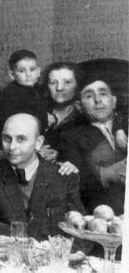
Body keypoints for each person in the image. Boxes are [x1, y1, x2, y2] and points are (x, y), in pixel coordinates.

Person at [0, 113, 85, 240]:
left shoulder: (63, 176)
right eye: (7, 139)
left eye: (21, 139)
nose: (12, 147)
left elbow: (80, 230)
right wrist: (24, 236)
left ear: (38, 142)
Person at [58, 75, 127, 215]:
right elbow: (77, 182)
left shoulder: (125, 125)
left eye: (103, 94)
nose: (98, 100)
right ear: (79, 106)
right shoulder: (70, 137)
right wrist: (106, 174)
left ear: (114, 101)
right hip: (104, 213)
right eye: (89, 96)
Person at [0, 50, 46, 131]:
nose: (28, 74)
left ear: (38, 71)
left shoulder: (41, 89)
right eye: (21, 71)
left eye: (32, 69)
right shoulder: (12, 94)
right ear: (12, 75)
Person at [41, 62, 85, 151]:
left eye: (67, 82)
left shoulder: (84, 114)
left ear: (77, 85)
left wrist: (59, 155)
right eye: (53, 83)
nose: (59, 88)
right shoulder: (38, 111)